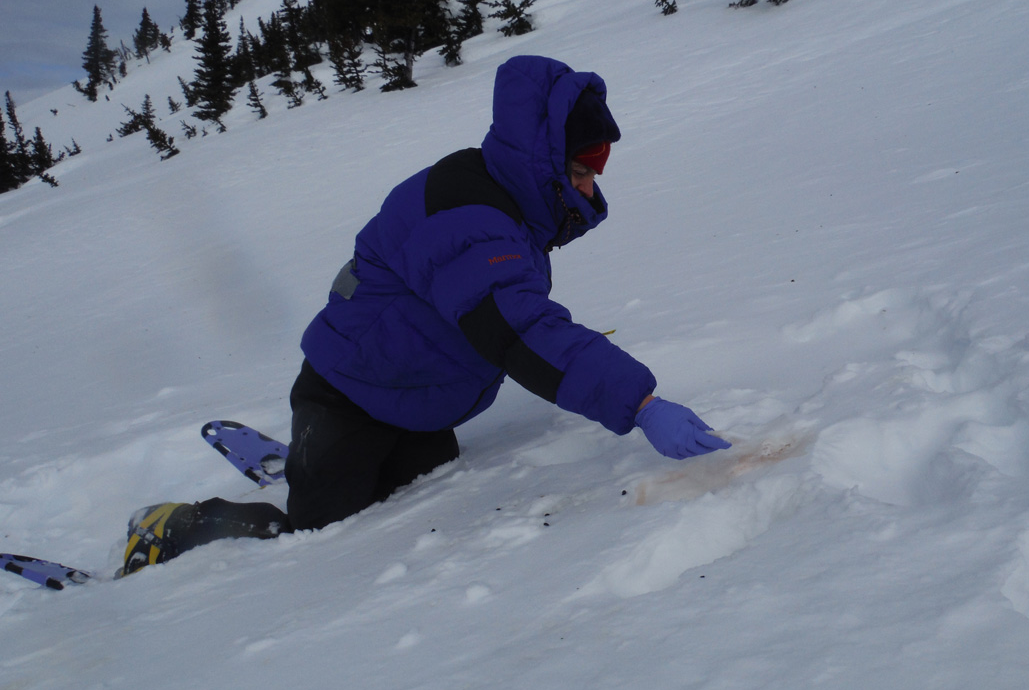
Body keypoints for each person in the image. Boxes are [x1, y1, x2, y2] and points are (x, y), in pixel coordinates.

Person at [119, 55, 729, 576]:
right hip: (348, 392)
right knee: (316, 532)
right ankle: (176, 526)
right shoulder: (469, 218)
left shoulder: (507, 204)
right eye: (579, 172)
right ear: (543, 163)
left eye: (595, 174)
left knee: (416, 496)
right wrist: (641, 406)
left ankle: (315, 467)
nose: (591, 190)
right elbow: (519, 328)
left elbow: (511, 310)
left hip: (419, 404)